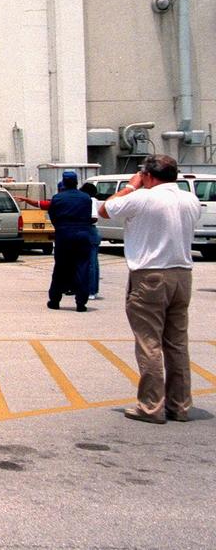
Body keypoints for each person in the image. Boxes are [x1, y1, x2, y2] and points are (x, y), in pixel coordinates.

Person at [100, 155, 201, 424]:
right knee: (177, 343)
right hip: (182, 274)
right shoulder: (189, 200)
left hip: (150, 275)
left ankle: (151, 406)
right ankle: (180, 405)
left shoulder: (143, 197)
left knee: (149, 343)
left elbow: (104, 210)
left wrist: (131, 186)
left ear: (148, 175)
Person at [15, 170, 94, 311]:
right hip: (83, 235)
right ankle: (81, 302)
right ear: (76, 182)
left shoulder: (58, 198)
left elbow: (49, 211)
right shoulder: (86, 198)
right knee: (82, 266)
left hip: (64, 235)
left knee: (60, 267)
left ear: (63, 183)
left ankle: (55, 300)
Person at [79, 182, 102, 300]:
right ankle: (93, 289)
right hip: (91, 231)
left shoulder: (91, 200)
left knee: (91, 264)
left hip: (90, 231)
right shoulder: (93, 200)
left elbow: (93, 218)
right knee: (93, 263)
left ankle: (91, 290)